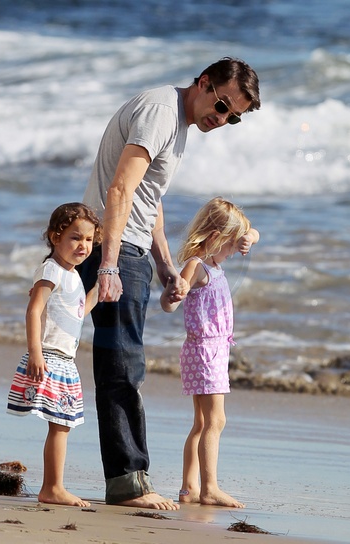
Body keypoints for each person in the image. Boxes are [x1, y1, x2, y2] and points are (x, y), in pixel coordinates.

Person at [78, 57, 261, 510]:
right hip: (117, 248)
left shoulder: (179, 124)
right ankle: (128, 483)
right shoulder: (161, 112)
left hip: (134, 250)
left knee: (126, 365)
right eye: (221, 105)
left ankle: (129, 477)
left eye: (233, 116)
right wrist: (109, 264)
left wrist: (163, 264)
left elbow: (150, 198)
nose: (222, 118)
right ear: (204, 83)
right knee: (121, 368)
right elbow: (120, 188)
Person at [160, 197, 259, 507]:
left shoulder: (214, 265)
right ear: (215, 237)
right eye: (231, 244)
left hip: (210, 350)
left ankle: (189, 488)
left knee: (202, 423)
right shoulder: (197, 266)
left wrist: (248, 237)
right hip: (205, 351)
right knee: (216, 421)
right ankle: (209, 488)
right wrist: (175, 292)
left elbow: (254, 234)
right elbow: (169, 305)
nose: (234, 251)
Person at [7, 202, 102, 507]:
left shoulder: (74, 276)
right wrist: (35, 352)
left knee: (63, 425)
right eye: (75, 237)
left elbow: (77, 313)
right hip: (49, 357)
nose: (83, 245)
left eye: (89, 239)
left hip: (65, 361)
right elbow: (33, 311)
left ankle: (53, 486)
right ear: (55, 237)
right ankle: (52, 488)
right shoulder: (51, 270)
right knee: (60, 425)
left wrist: (98, 291)